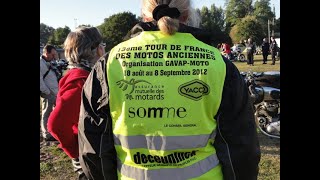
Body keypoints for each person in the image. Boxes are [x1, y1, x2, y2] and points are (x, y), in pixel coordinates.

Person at [78, 0, 261, 179]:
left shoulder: (109, 65)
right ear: (187, 14)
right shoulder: (219, 64)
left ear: (144, 14)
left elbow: (94, 148)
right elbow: (240, 148)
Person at [47, 26, 105, 180]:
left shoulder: (81, 75)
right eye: (102, 45)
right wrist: (76, 153)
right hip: (89, 158)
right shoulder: (81, 81)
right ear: (95, 49)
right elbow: (56, 124)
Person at [40, 44, 59, 141]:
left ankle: (54, 131)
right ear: (46, 53)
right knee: (46, 113)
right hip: (48, 93)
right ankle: (46, 134)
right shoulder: (41, 63)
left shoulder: (49, 62)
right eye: (52, 54)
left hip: (54, 92)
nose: (54, 56)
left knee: (56, 112)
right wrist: (47, 92)